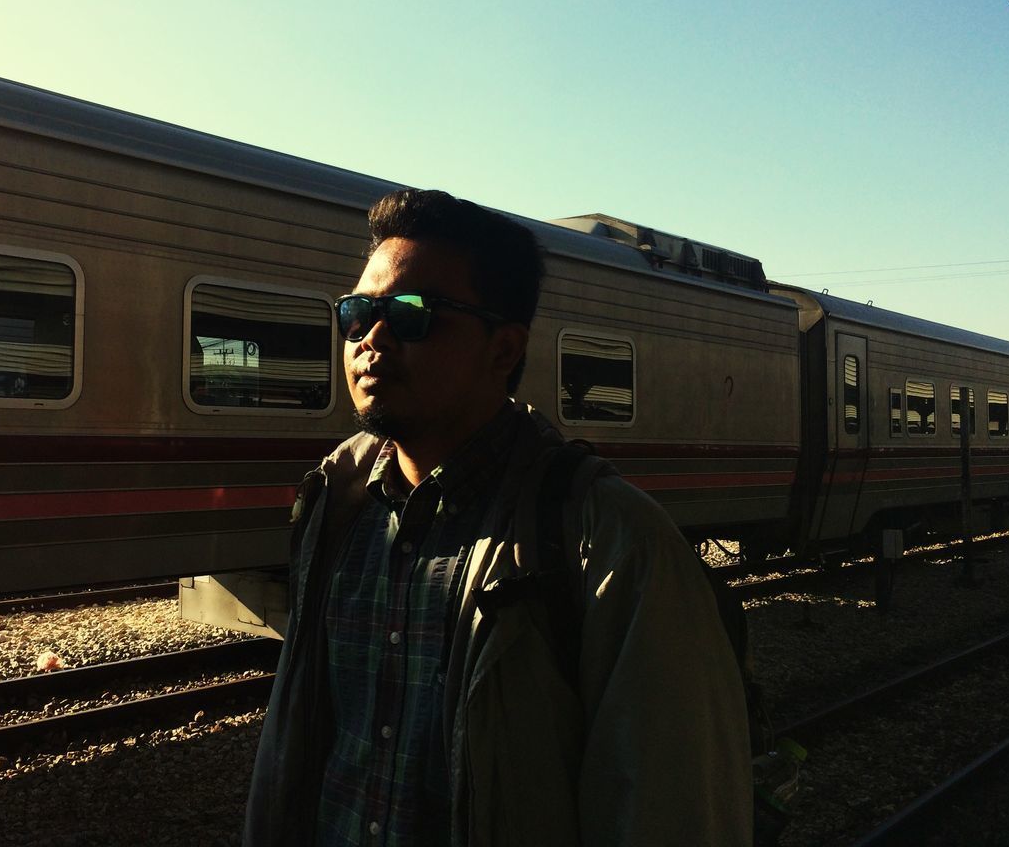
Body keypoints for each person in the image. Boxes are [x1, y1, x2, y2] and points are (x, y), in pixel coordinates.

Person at [244, 188, 752, 846]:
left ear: (504, 350)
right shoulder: (336, 509)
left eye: (409, 314)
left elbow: (673, 808)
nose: (371, 337)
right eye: (358, 313)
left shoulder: (611, 543)